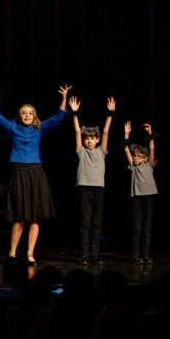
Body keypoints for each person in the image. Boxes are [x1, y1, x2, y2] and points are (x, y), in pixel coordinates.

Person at [0, 83, 70, 266]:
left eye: (30, 113)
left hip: (36, 173)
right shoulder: (12, 128)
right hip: (19, 172)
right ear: (19, 115)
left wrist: (64, 98)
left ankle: (30, 254)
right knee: (20, 216)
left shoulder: (39, 127)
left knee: (35, 215)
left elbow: (57, 118)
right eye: (24, 112)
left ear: (34, 116)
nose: (27, 115)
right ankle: (12, 253)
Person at [69, 95, 115, 265]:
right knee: (85, 222)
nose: (88, 140)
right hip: (84, 188)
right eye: (86, 138)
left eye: (92, 138)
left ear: (96, 140)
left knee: (97, 223)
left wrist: (110, 114)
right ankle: (84, 254)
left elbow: (106, 132)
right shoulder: (81, 151)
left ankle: (95, 254)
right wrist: (74, 115)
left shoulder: (101, 150)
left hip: (98, 188)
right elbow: (76, 131)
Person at [123, 121, 158, 265]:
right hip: (136, 198)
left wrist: (150, 134)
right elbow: (126, 149)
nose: (135, 158)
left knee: (147, 228)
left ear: (144, 157)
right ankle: (136, 255)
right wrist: (126, 134)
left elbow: (151, 147)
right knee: (137, 228)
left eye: (138, 156)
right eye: (134, 156)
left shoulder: (149, 165)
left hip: (148, 197)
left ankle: (146, 255)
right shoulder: (133, 167)